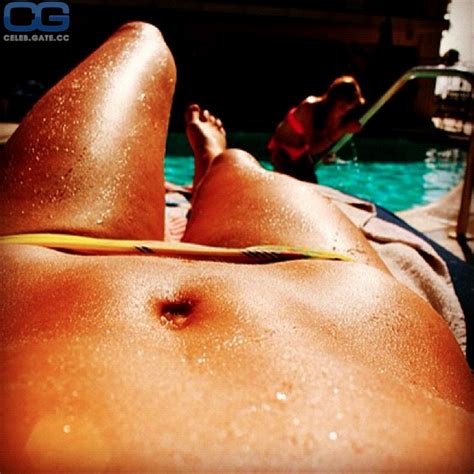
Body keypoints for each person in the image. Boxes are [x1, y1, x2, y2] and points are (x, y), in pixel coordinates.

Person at [0, 22, 472, 471]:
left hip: (44, 264)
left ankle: (215, 166)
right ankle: (215, 163)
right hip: (331, 288)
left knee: (142, 41)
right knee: (239, 165)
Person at [268, 76, 365, 183]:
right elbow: (313, 148)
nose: (344, 112)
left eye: (348, 108)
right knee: (289, 185)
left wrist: (326, 156)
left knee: (312, 186)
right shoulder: (309, 107)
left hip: (302, 154)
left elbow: (322, 145)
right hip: (282, 151)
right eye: (342, 106)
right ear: (333, 100)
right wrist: (342, 130)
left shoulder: (337, 116)